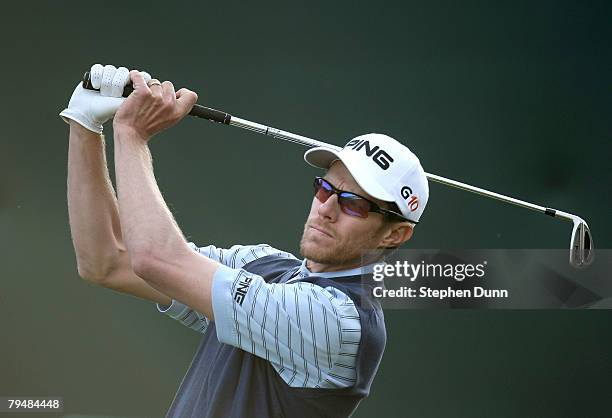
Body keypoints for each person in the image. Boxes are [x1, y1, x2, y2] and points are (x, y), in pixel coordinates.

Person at [60, 64, 429, 418]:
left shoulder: (340, 322)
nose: (327, 209)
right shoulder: (264, 265)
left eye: (354, 204)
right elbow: (107, 261)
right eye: (324, 188)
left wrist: (132, 135)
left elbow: (155, 259)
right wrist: (85, 125)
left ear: (395, 233)